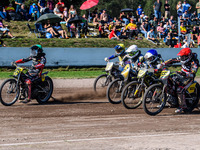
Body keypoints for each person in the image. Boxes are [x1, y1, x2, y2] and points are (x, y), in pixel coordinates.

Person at [162, 48, 199, 113]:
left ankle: (182, 106)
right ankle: (168, 98)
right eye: (181, 56)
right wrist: (163, 64)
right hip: (180, 74)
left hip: (188, 77)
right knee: (169, 79)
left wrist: (185, 74)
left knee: (180, 89)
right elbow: (173, 60)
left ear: (188, 56)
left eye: (183, 56)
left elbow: (193, 73)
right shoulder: (182, 58)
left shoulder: (194, 62)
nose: (181, 58)